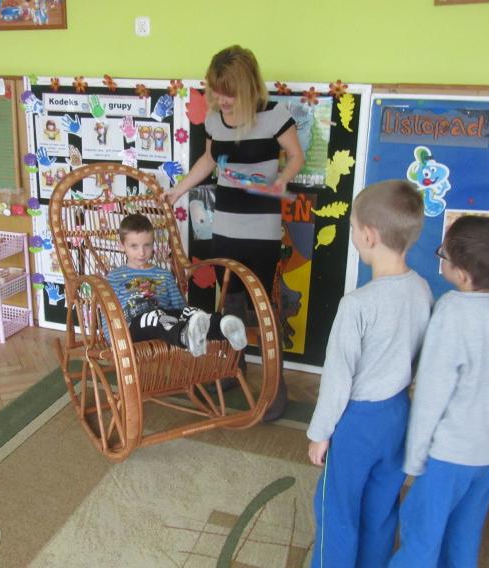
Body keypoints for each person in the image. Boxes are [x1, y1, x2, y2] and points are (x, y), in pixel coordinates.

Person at [166, 45, 305, 421]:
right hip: (225, 225)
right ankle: (233, 366)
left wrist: (282, 181)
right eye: (216, 91)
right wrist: (179, 190)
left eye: (228, 92)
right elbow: (209, 159)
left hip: (261, 228)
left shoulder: (275, 115)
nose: (221, 99)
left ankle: (275, 386)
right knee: (230, 302)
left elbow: (296, 156)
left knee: (264, 307)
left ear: (247, 86)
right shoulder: (214, 120)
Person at [307, 180, 432, 567]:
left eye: (352, 228)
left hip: (357, 422)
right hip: (398, 414)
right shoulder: (422, 289)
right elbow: (421, 357)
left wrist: (319, 433)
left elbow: (337, 378)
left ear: (368, 235)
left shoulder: (356, 304)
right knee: (381, 507)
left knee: (336, 508)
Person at [390, 216, 489, 568]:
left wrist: (415, 457)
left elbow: (431, 395)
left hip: (450, 453)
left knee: (422, 534)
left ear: (462, 275)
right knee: (465, 535)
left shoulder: (451, 311)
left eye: (443, 254)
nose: (441, 258)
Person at [107, 214, 247, 357]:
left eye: (147, 245)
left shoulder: (163, 275)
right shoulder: (114, 277)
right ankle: (185, 337)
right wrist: (111, 339)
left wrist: (188, 314)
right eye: (134, 246)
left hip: (164, 321)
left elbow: (179, 306)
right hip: (133, 329)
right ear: (122, 245)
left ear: (153, 243)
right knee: (156, 316)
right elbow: (106, 313)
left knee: (190, 312)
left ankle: (223, 328)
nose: (141, 252)